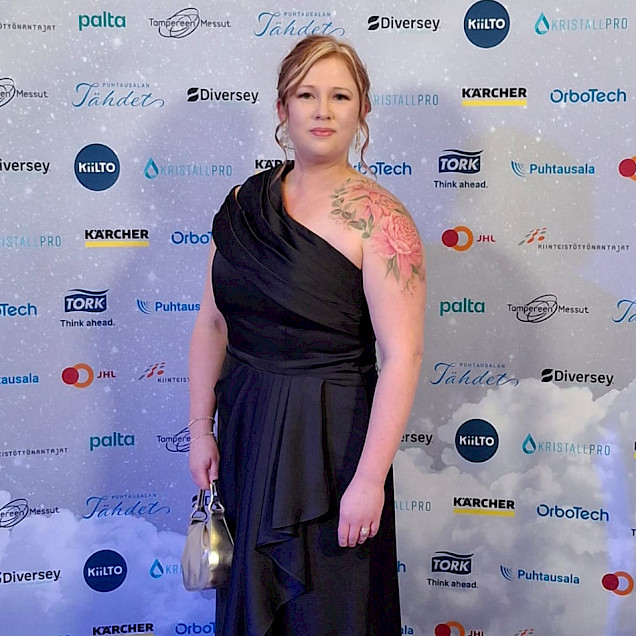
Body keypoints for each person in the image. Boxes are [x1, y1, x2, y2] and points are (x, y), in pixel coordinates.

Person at [188, 34, 426, 636]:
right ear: (282, 108)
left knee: (329, 608)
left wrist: (368, 480)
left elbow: (402, 356)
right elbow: (212, 322)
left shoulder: (382, 219)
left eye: (340, 96)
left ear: (362, 110)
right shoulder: (243, 203)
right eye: (306, 94)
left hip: (332, 447)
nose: (323, 110)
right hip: (246, 431)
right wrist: (200, 429)